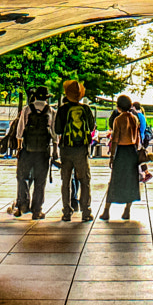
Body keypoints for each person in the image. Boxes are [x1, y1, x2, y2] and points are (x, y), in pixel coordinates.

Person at [55, 79, 98, 220]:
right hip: (81, 150)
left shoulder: (62, 109)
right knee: (84, 180)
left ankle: (67, 211)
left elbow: (57, 129)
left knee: (66, 181)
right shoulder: (85, 109)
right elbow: (91, 127)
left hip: (66, 149)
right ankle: (86, 211)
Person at [9, 88, 54, 218]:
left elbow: (20, 130)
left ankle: (23, 204)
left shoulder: (27, 109)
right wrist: (55, 150)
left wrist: (19, 149)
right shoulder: (50, 111)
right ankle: (37, 210)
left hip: (27, 150)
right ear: (46, 98)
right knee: (40, 181)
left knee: (22, 177)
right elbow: (55, 134)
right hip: (43, 152)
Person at [103, 94, 143, 221]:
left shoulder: (118, 120)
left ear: (118, 107)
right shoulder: (134, 119)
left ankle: (106, 211)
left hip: (121, 151)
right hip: (132, 151)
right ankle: (127, 210)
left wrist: (112, 156)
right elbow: (137, 138)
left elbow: (115, 139)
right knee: (131, 181)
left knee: (115, 181)